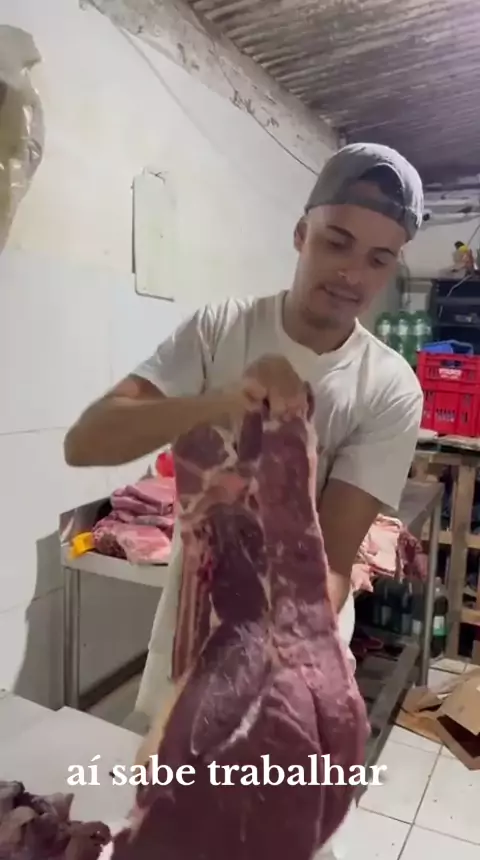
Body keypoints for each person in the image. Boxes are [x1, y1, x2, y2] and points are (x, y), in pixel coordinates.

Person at [64, 142, 424, 857]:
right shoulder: (219, 329)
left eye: (378, 258)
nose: (352, 273)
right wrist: (220, 403)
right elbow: (87, 440)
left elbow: (328, 564)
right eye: (337, 242)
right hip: (188, 635)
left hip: (294, 662)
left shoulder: (387, 387)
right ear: (301, 233)